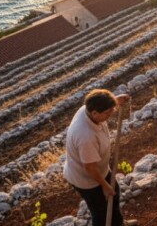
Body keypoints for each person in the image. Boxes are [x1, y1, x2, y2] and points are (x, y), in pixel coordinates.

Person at [64, 89, 132, 226]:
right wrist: (105, 185)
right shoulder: (86, 136)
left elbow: (103, 104)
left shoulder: (88, 109)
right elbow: (90, 168)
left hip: (99, 169)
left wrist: (115, 101)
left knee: (114, 194)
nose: (111, 113)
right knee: (100, 212)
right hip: (86, 178)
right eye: (108, 112)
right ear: (95, 113)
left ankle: (118, 224)